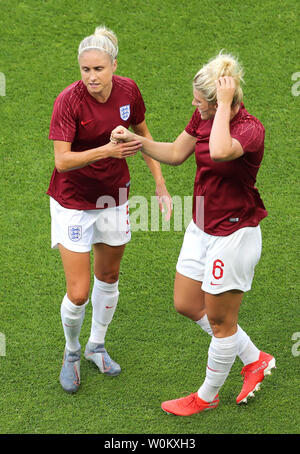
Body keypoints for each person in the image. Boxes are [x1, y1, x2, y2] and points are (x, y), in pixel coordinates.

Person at [111, 51, 276, 415]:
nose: (193, 104)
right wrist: (135, 142)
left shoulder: (249, 130)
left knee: (220, 321)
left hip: (234, 235)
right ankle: (255, 358)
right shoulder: (203, 117)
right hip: (201, 226)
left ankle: (206, 396)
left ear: (220, 102)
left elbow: (219, 151)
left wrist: (223, 106)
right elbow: (173, 153)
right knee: (187, 303)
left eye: (200, 101)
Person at [47, 25, 172, 393]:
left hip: (114, 198)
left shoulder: (129, 90)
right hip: (73, 203)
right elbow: (62, 161)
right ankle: (71, 352)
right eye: (85, 70)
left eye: (98, 69)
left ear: (113, 65)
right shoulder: (67, 101)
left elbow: (143, 135)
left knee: (110, 276)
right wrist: (107, 149)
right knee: (79, 291)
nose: (91, 77)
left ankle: (96, 346)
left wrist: (160, 183)